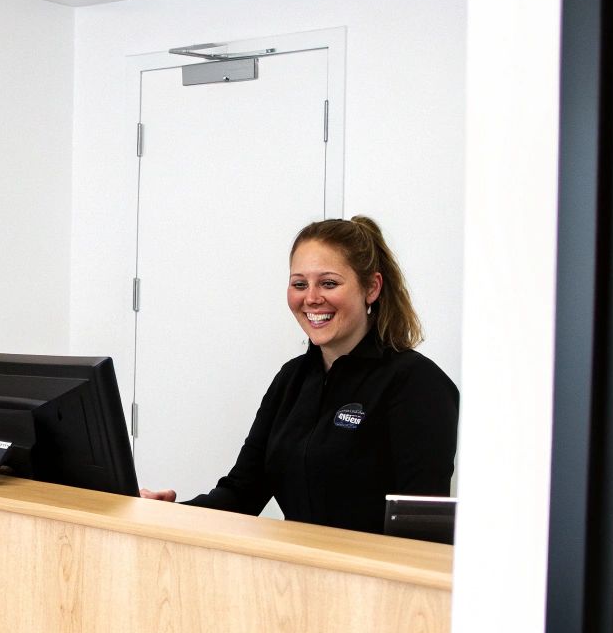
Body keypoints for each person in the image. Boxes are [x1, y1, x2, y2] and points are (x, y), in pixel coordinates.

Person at [139, 215, 459, 534]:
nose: (311, 298)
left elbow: (422, 532)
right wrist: (168, 514)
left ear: (372, 288)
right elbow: (241, 494)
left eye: (329, 283)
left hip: (371, 581)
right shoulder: (291, 380)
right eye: (300, 284)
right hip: (295, 578)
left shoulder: (416, 384)